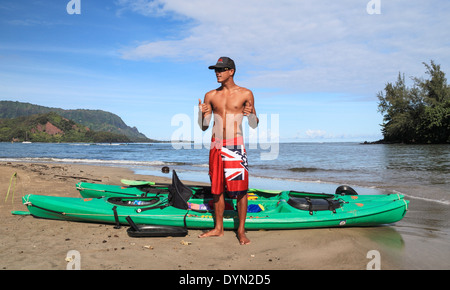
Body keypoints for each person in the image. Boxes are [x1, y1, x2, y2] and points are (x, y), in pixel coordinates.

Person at [197, 57, 258, 245]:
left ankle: (241, 231)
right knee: (217, 190)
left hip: (235, 145)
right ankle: (218, 228)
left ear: (231, 71)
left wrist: (251, 115)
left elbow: (254, 124)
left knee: (240, 191)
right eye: (216, 70)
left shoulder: (246, 93)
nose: (218, 72)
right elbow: (203, 127)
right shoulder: (210, 95)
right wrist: (201, 113)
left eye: (222, 69)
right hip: (216, 144)